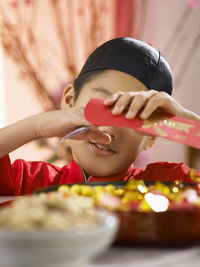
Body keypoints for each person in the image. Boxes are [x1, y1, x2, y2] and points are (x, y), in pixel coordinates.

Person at [0, 37, 200, 196]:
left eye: (133, 116)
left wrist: (191, 125)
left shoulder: (169, 185)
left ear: (152, 137)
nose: (109, 130)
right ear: (70, 100)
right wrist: (36, 127)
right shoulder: (31, 183)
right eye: (103, 107)